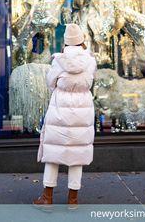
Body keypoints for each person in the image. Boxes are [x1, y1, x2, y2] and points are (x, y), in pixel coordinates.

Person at [33, 23, 97, 207]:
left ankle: (47, 198)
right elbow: (90, 82)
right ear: (82, 41)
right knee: (77, 154)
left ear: (66, 42)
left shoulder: (58, 60)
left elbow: (50, 82)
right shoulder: (90, 61)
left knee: (54, 152)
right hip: (82, 108)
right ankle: (73, 200)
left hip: (60, 107)